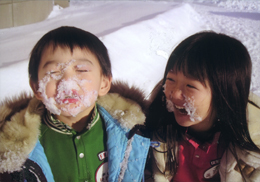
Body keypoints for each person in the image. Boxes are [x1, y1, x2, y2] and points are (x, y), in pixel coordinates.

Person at [0, 26, 150, 182]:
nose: (67, 83)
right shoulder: (16, 149)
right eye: (53, 72)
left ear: (104, 84)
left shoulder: (132, 133)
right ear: (37, 87)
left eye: (82, 70)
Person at [145, 31, 260, 182]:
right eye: (171, 79)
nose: (175, 94)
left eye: (190, 86)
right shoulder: (156, 131)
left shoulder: (248, 149)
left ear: (224, 94)